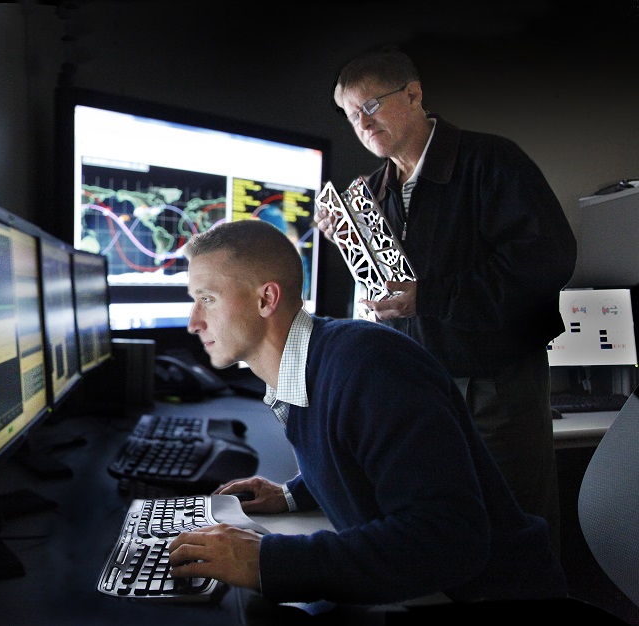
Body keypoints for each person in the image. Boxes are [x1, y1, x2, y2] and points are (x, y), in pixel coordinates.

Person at [166, 218, 566, 605]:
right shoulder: (314, 364)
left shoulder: (370, 365)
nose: (193, 322)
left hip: (488, 598)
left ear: (266, 299)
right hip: (437, 590)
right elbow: (375, 457)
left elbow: (448, 541)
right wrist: (293, 494)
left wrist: (267, 560)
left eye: (207, 299)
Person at [315, 47, 576, 550]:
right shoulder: (370, 190)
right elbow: (393, 285)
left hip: (494, 387)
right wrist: (350, 242)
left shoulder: (493, 160)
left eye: (371, 106)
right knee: (446, 534)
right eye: (352, 115)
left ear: (413, 95)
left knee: (515, 531)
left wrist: (429, 297)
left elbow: (547, 262)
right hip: (418, 389)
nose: (362, 124)